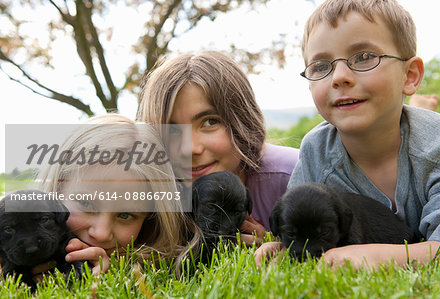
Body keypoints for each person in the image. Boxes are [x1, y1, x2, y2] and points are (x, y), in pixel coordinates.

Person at [255, 0, 440, 269]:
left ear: (410, 76)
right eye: (321, 66)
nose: (340, 77)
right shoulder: (316, 150)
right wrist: (282, 244)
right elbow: (305, 230)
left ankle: (420, 109)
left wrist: (371, 256)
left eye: (364, 57)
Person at [137, 51, 299, 241]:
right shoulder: (144, 195)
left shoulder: (294, 175)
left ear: (242, 121)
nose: (190, 148)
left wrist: (276, 245)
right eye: (172, 130)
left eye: (209, 122)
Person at [36, 114, 201, 276]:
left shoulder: (156, 272)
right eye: (85, 203)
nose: (101, 233)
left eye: (125, 215)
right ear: (56, 189)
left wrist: (110, 274)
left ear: (150, 220)